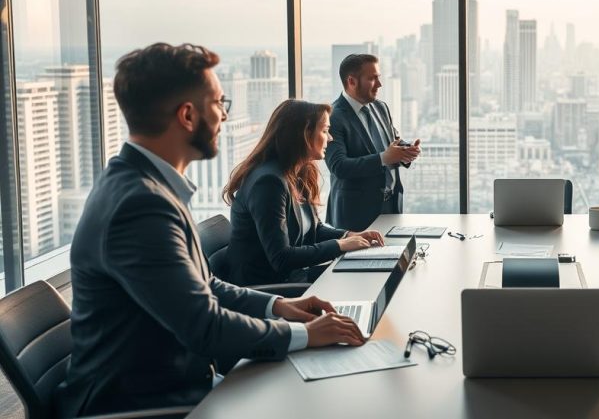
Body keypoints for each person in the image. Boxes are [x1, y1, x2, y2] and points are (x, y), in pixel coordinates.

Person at [55, 44, 365, 418]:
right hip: (142, 403)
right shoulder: (139, 206)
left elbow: (205, 286)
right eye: (220, 104)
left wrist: (280, 305)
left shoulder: (144, 185)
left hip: (174, 384)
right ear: (187, 115)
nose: (224, 117)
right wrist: (307, 335)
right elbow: (204, 326)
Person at [222, 99, 385, 287]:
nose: (330, 138)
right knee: (357, 282)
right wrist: (340, 246)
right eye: (324, 131)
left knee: (368, 274)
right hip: (268, 288)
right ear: (305, 135)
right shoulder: (268, 183)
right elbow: (281, 258)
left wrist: (350, 235)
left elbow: (314, 230)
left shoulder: (296, 173)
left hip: (292, 278)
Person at [325, 54, 420, 232]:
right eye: (372, 78)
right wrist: (384, 158)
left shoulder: (380, 107)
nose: (379, 84)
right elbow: (338, 166)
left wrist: (407, 151)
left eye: (379, 78)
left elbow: (393, 142)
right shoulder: (334, 117)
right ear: (352, 81)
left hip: (391, 205)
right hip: (356, 214)